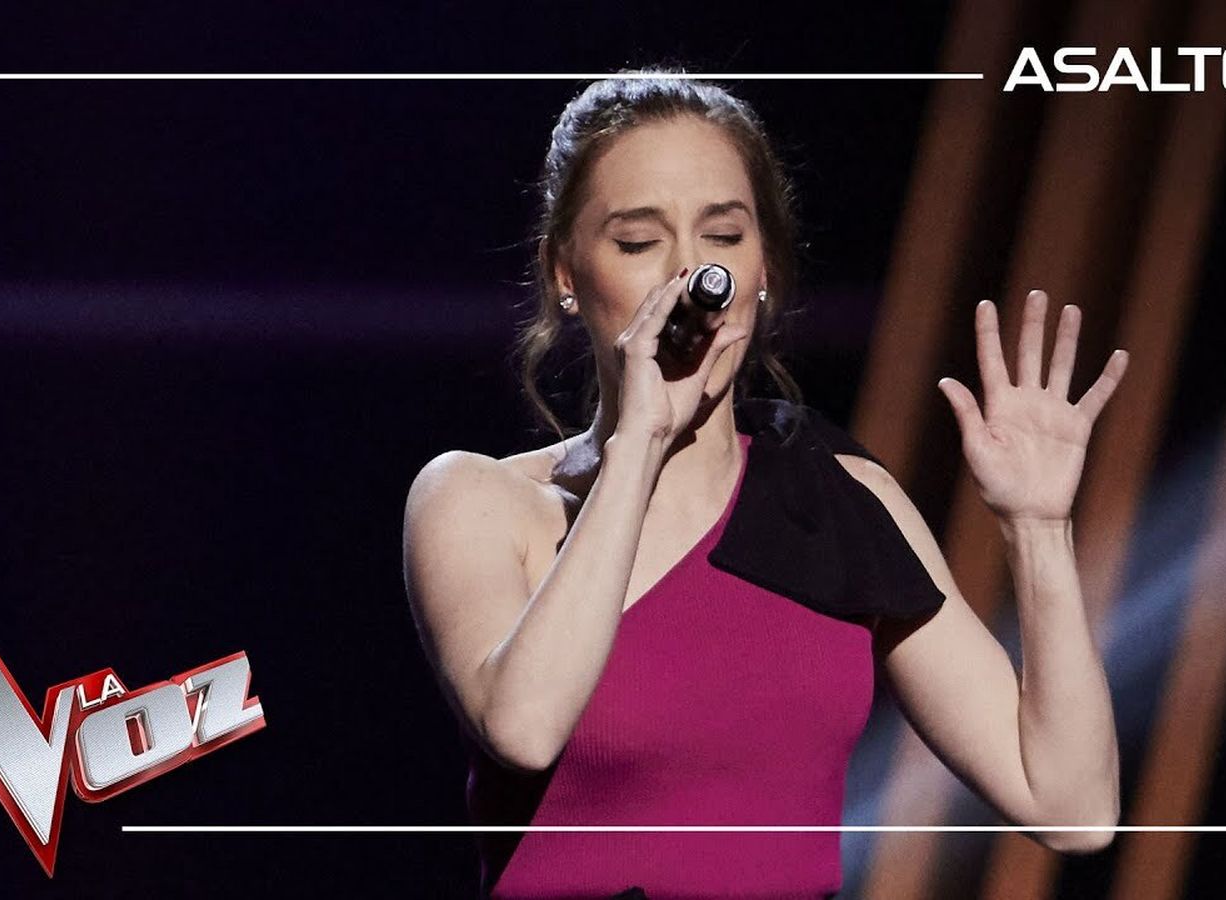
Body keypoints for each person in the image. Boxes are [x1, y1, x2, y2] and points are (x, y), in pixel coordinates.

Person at [402, 68, 1128, 900]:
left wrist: (1037, 528)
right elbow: (524, 727)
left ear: (764, 271)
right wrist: (639, 442)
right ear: (565, 272)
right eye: (638, 243)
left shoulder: (833, 497)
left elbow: (1073, 806)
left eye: (723, 237)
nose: (693, 280)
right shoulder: (481, 502)